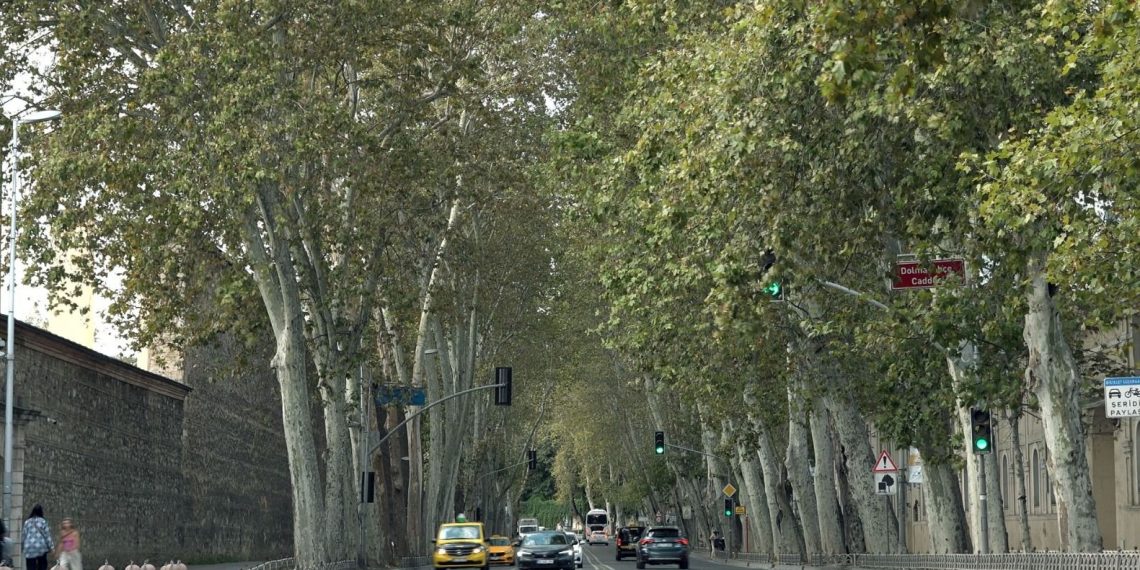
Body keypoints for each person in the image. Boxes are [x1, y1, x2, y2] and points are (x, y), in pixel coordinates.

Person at [22, 505, 53, 570]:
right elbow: (47, 535)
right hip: (41, 547)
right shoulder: (43, 521)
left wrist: (23, 547)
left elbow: (23, 535)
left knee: (30, 566)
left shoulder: (27, 522)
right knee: (42, 565)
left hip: (29, 547)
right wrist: (51, 547)